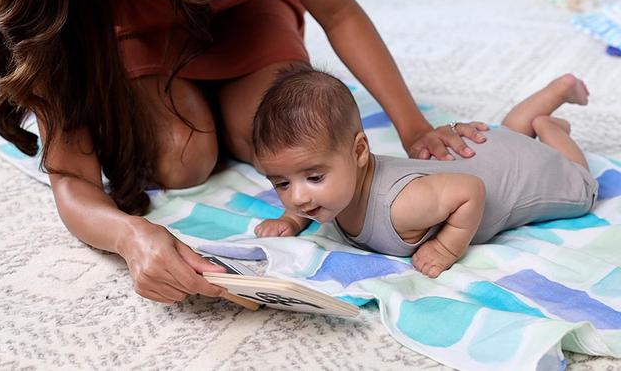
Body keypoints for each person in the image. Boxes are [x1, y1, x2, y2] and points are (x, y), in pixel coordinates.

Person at [0, 0, 488, 304]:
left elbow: (337, 10)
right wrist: (130, 236)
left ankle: (221, 105)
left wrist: (413, 126)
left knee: (283, 139)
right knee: (181, 160)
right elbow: (72, 179)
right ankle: (192, 105)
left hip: (248, 18)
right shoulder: (53, 6)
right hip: (136, 36)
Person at [253, 67, 599, 278]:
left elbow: (471, 190)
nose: (298, 197)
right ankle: (554, 92)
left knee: (583, 191)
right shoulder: (330, 188)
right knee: (509, 135)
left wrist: (447, 248)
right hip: (484, 154)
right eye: (282, 183)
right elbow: (302, 197)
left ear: (359, 151)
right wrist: (294, 220)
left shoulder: (401, 205)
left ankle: (551, 128)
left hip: (520, 175)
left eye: (313, 178)